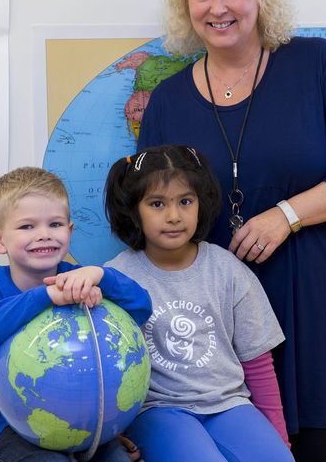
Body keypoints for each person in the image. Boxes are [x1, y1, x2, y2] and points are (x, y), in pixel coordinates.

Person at [135, 0, 326, 462]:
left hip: (321, 295)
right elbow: (148, 201)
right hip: (212, 314)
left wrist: (286, 215)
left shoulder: (317, 64)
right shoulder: (166, 101)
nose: (218, 7)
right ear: (185, 7)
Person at [104, 145, 293, 462]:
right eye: (157, 204)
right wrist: (111, 432)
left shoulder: (227, 269)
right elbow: (106, 369)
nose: (174, 216)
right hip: (159, 411)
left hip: (229, 405)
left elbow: (258, 363)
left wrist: (280, 440)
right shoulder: (117, 277)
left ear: (199, 205)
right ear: (135, 211)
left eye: (185, 202)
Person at [0, 167, 152, 462]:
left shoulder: (80, 278)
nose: (43, 235)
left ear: (69, 231)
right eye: (27, 227)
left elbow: (142, 308)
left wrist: (102, 276)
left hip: (76, 423)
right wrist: (45, 296)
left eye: (54, 224)